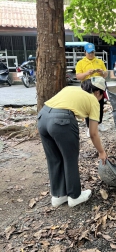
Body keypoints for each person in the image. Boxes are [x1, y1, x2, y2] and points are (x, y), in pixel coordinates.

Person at [37, 76, 107, 208]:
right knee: (69, 159)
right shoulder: (93, 100)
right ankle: (74, 196)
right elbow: (93, 133)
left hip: (42, 117)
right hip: (61, 121)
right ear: (98, 92)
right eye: (102, 95)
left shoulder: (70, 89)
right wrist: (101, 152)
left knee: (54, 159)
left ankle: (58, 196)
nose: (101, 98)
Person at [75, 43, 108, 136]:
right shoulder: (80, 63)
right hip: (87, 85)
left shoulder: (99, 61)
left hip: (99, 84)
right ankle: (90, 127)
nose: (91, 54)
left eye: (92, 52)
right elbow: (78, 77)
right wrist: (86, 73)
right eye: (89, 53)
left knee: (100, 105)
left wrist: (102, 72)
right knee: (88, 106)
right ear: (85, 52)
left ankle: (99, 123)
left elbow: (106, 75)